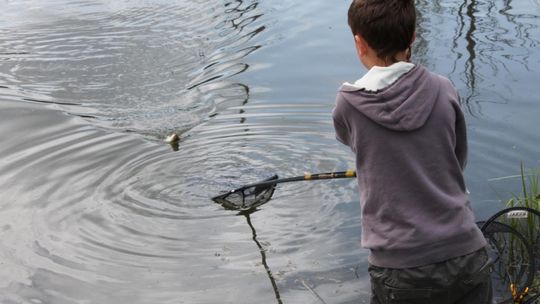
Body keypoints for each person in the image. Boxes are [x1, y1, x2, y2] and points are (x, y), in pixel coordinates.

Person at [332, 0, 493, 303]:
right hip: (466, 252)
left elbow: (351, 140)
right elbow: (457, 160)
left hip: (401, 269)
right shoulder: (444, 89)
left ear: (359, 42)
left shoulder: (348, 105)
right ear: (413, 37)